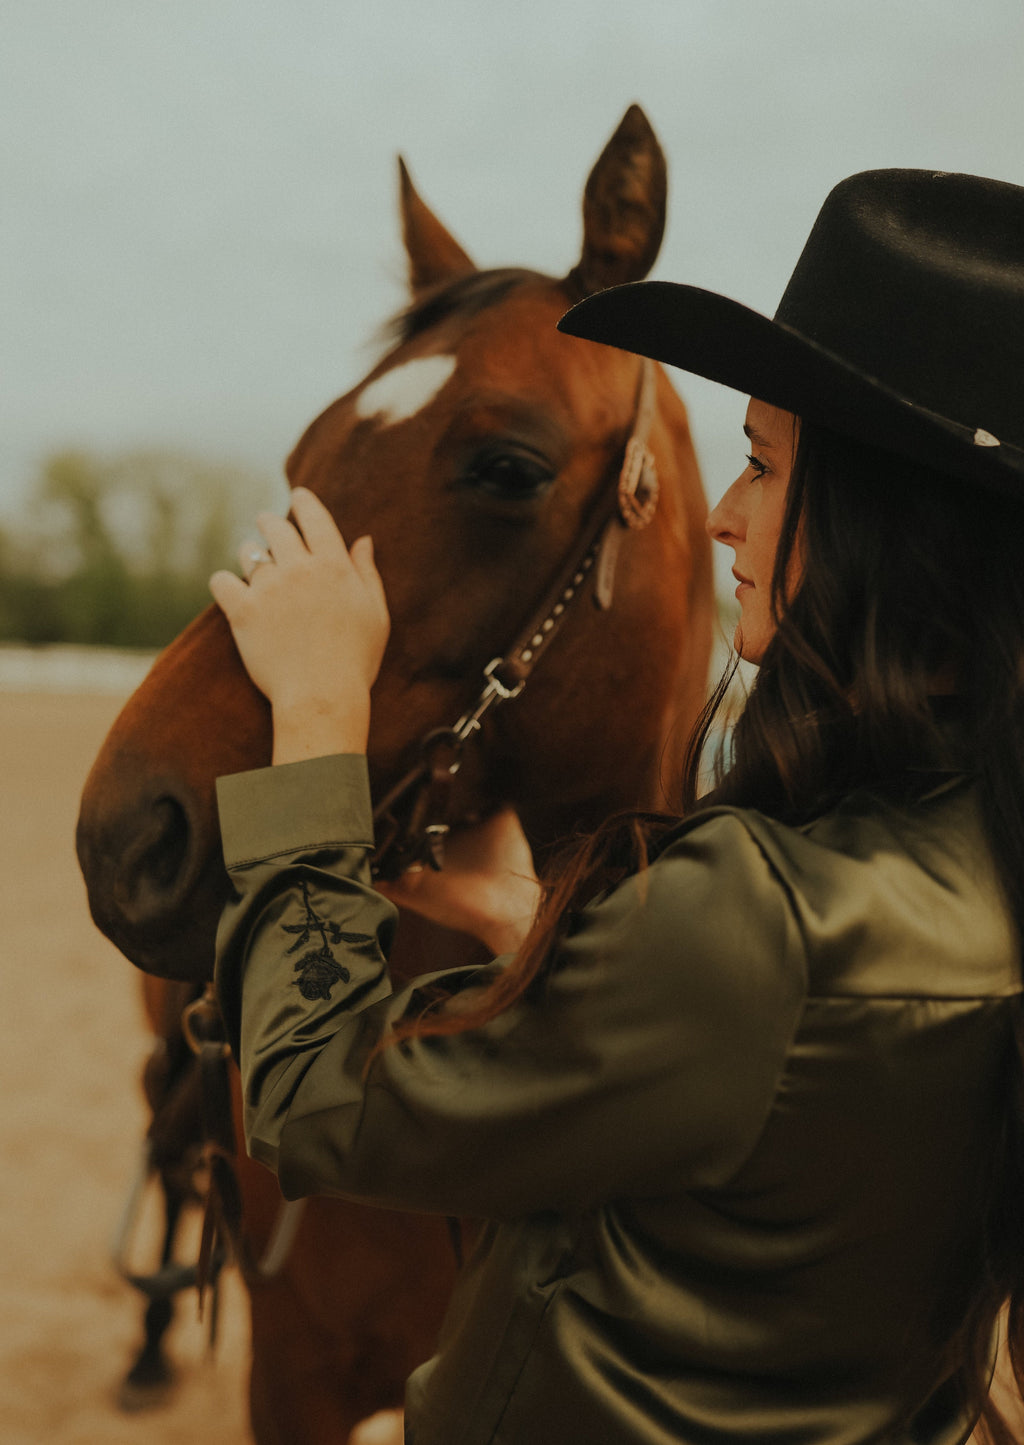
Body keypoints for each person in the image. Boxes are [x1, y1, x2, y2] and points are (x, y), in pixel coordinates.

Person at [209, 169, 1024, 1444]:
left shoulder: (750, 917)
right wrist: (552, 943)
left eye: (761, 461)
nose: (725, 515)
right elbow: (776, 1117)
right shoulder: (976, 854)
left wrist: (318, 714)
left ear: (887, 519)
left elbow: (317, 1099)